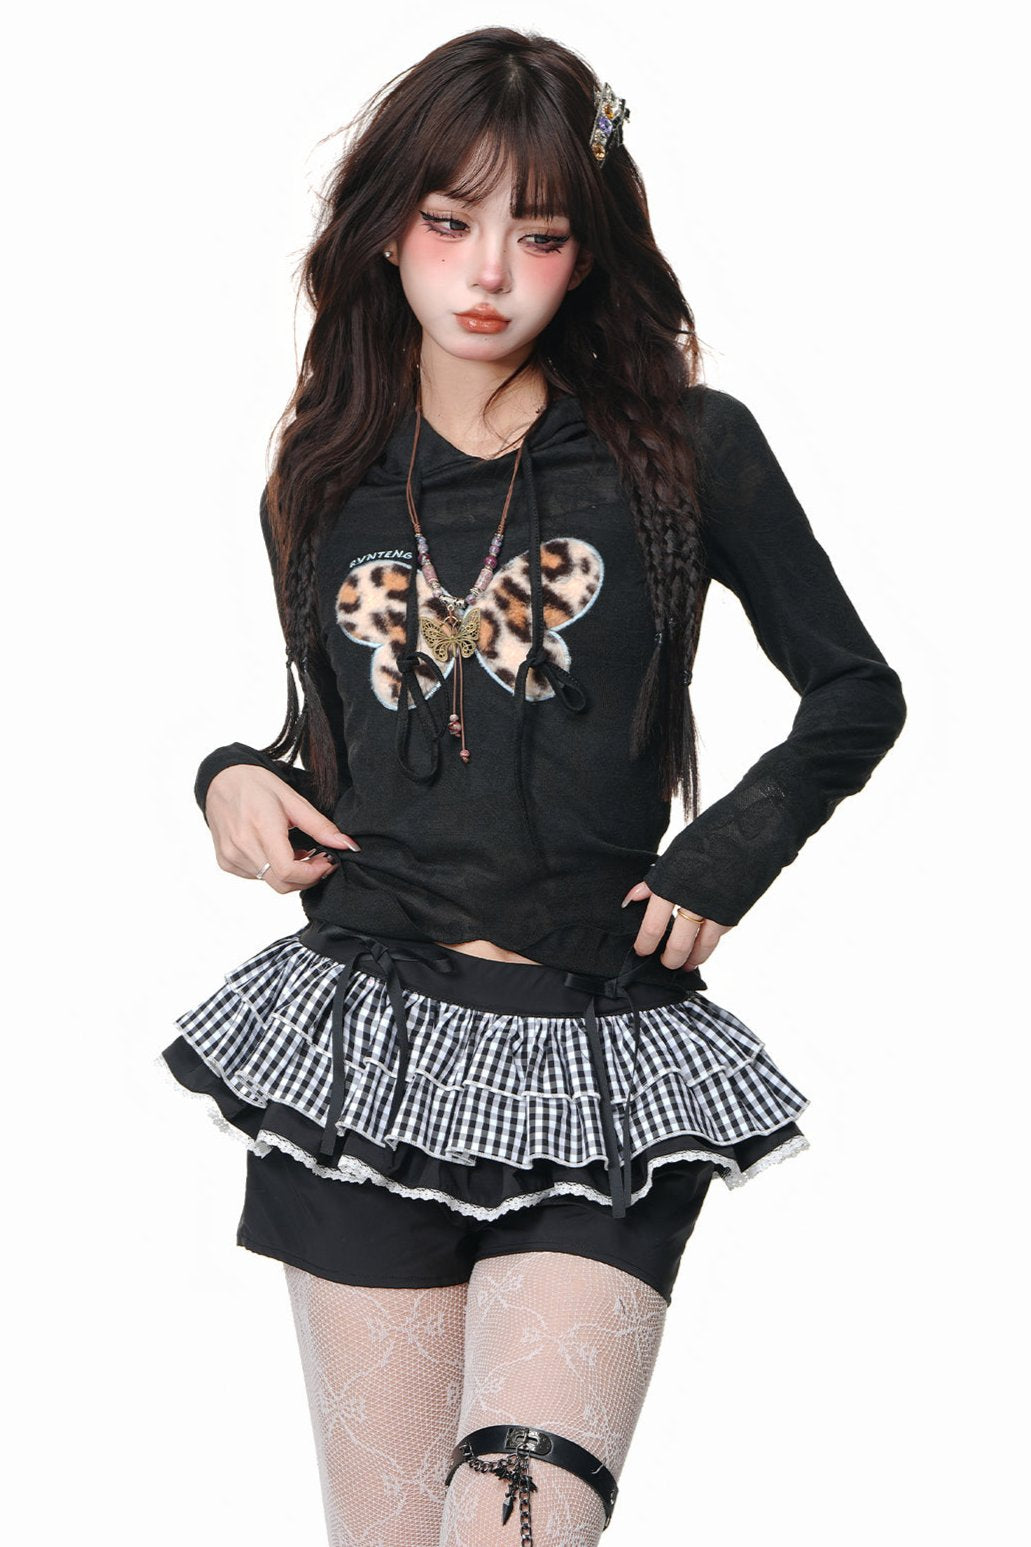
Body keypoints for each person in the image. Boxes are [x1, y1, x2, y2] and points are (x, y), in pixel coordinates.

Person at [157, 26, 907, 1547]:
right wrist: (227, 776)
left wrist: (725, 856)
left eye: (540, 234)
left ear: (589, 248)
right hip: (364, 1050)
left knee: (513, 1532)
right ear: (387, 231)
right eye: (450, 223)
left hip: (598, 1049)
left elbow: (856, 690)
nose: (490, 271)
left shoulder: (686, 450)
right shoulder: (323, 472)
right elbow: (345, 744)